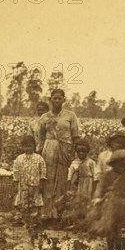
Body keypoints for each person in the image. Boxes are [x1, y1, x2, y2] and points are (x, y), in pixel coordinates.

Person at [88, 150, 125, 250]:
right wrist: (97, 198)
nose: (123, 166)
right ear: (114, 164)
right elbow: (100, 187)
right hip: (110, 207)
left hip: (124, 207)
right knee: (110, 229)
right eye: (120, 164)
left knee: (123, 230)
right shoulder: (107, 175)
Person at [40, 89, 80, 220]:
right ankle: (48, 214)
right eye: (54, 98)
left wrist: (74, 153)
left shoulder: (70, 116)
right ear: (50, 99)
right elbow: (41, 137)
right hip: (49, 150)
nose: (57, 101)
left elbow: (75, 136)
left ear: (63, 100)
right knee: (49, 181)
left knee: (62, 181)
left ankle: (59, 215)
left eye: (59, 98)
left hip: (65, 150)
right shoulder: (45, 117)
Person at [12, 135, 47, 244]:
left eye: (30, 146)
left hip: (35, 185)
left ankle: (35, 223)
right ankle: (26, 222)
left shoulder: (39, 158)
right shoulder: (19, 158)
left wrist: (42, 183)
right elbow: (16, 171)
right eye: (26, 146)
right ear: (23, 147)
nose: (28, 148)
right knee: (24, 204)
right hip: (23, 186)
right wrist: (16, 181)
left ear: (34, 146)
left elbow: (43, 171)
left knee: (35, 204)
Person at [65, 138, 96, 231]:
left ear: (87, 151)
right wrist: (69, 188)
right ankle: (77, 224)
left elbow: (95, 176)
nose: (81, 153)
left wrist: (94, 189)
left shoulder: (91, 162)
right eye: (79, 151)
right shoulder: (74, 163)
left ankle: (87, 225)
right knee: (77, 204)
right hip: (77, 185)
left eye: (84, 151)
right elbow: (69, 176)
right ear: (76, 151)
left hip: (88, 185)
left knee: (87, 204)